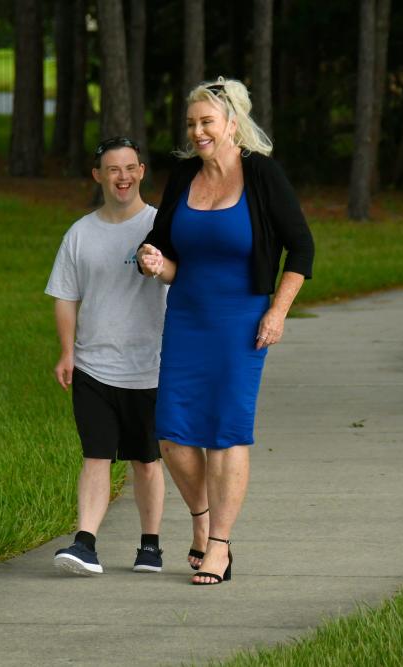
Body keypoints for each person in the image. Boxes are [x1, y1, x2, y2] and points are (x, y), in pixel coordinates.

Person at [136, 78, 314, 585]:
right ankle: (201, 520)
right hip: (187, 317)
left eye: (206, 122)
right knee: (172, 435)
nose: (197, 132)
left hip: (243, 321)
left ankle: (220, 546)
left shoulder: (262, 176)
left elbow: (301, 250)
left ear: (232, 124)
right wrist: (152, 259)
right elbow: (165, 250)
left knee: (226, 433)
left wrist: (277, 312)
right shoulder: (184, 175)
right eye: (191, 124)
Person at [46, 136, 168, 576]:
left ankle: (150, 546)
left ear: (142, 171)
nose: (122, 177)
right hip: (94, 366)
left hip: (150, 367)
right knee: (95, 455)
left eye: (130, 168)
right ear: (98, 176)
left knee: (146, 460)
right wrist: (66, 351)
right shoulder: (80, 233)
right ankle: (85, 543)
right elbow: (65, 296)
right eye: (112, 169)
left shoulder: (161, 225)